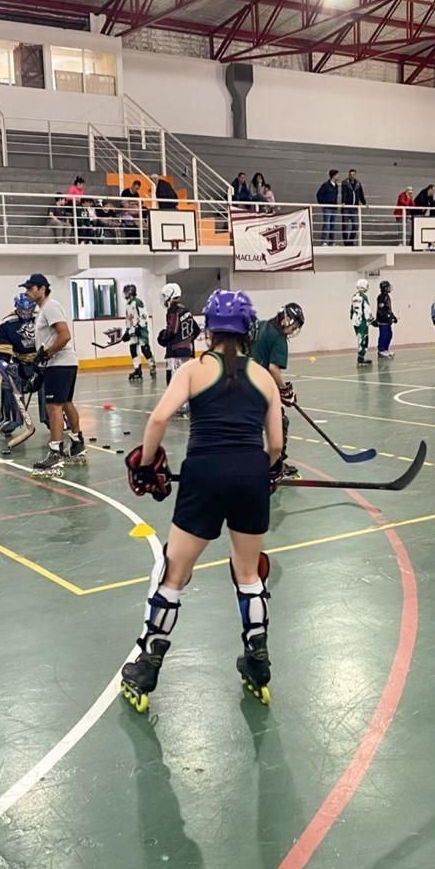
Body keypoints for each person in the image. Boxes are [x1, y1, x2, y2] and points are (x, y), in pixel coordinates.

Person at [119, 289, 284, 712]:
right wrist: (263, 471)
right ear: (248, 331)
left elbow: (158, 418)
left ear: (209, 330)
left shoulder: (194, 369)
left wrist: (147, 462)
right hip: (249, 472)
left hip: (204, 473)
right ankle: (257, 659)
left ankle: (148, 664)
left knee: (174, 573)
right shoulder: (265, 377)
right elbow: (277, 445)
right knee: (249, 573)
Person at [21, 274, 87, 477]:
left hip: (59, 363)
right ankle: (77, 443)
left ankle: (55, 452)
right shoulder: (45, 309)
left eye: (31, 288)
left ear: (42, 289)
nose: (27, 292)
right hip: (62, 363)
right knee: (66, 402)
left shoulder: (50, 307)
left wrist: (46, 353)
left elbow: (65, 335)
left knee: (54, 406)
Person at [250, 302, 305, 480]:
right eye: (294, 324)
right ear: (286, 320)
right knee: (279, 421)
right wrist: (285, 390)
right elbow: (274, 369)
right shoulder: (279, 339)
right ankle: (275, 464)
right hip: (259, 386)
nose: (294, 329)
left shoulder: (262, 325)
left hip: (244, 381)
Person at [0, 292, 40, 441]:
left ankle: (55, 418)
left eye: (29, 310)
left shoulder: (41, 319)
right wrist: (4, 361)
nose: (26, 313)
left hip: (41, 362)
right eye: (23, 310)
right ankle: (10, 418)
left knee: (51, 382)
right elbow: (2, 348)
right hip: (20, 363)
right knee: (8, 378)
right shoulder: (8, 324)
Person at [158, 282, 199, 415]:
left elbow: (172, 330)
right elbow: (196, 330)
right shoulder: (186, 310)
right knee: (186, 378)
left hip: (175, 352)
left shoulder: (173, 310)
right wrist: (187, 341)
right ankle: (187, 404)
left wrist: (163, 338)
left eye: (165, 296)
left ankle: (179, 405)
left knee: (173, 378)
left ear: (170, 295)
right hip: (188, 350)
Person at [124, 283, 157, 382]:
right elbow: (128, 319)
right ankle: (137, 369)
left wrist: (139, 326)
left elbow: (143, 316)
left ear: (130, 293)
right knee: (133, 348)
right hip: (133, 331)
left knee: (145, 349)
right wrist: (127, 330)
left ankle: (152, 366)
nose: (124, 295)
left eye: (126, 292)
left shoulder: (137, 302)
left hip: (141, 330)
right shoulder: (128, 305)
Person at [340, 168, 367, 246]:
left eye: (353, 174)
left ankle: (350, 241)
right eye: (350, 174)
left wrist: (364, 203)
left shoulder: (358, 184)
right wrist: (343, 202)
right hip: (346, 207)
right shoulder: (345, 183)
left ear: (355, 175)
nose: (352, 176)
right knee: (345, 226)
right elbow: (343, 193)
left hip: (354, 208)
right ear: (348, 175)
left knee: (355, 225)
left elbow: (361, 194)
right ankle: (346, 242)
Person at [351, 277, 373, 366]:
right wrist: (372, 320)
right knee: (364, 339)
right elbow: (367, 309)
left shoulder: (354, 296)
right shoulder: (363, 296)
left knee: (360, 338)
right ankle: (360, 358)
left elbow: (351, 309)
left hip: (355, 320)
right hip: (362, 320)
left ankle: (361, 358)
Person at [316, 169, 341, 245]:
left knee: (332, 226)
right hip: (327, 208)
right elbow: (318, 195)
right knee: (326, 225)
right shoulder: (326, 185)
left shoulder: (336, 186)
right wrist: (323, 204)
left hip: (334, 208)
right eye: (337, 175)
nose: (338, 176)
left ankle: (331, 242)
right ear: (333, 176)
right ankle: (323, 241)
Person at [376, 279, 398, 358]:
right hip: (383, 320)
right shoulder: (381, 297)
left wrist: (393, 316)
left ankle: (385, 349)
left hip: (388, 320)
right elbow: (381, 310)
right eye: (388, 287)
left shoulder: (387, 296)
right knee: (384, 335)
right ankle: (381, 350)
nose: (389, 288)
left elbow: (388, 308)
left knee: (389, 335)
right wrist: (386, 317)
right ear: (385, 288)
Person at [120, 179, 145, 243]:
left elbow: (139, 203)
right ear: (132, 185)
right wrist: (133, 203)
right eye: (135, 188)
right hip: (126, 211)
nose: (136, 190)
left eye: (137, 189)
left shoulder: (137, 194)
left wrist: (132, 203)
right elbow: (124, 204)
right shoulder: (125, 192)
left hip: (134, 212)